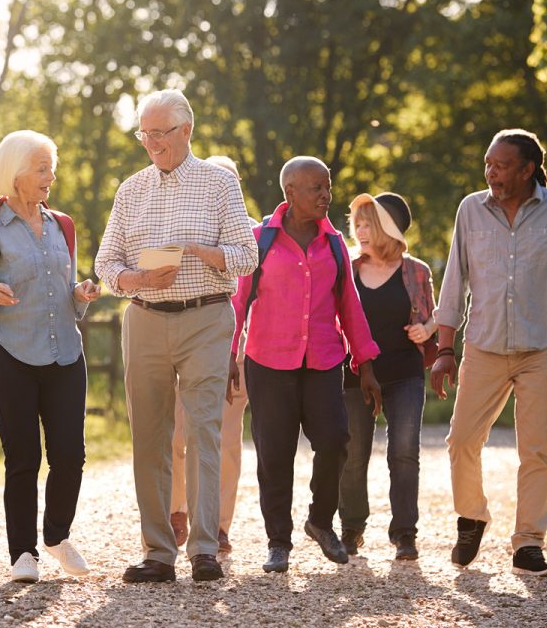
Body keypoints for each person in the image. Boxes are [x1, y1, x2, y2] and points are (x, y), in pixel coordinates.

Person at [95, 89, 258, 583]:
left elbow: (246, 256)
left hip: (206, 317)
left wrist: (198, 251)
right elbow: (106, 264)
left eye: (160, 132)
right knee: (149, 436)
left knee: (205, 429)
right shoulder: (131, 189)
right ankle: (158, 553)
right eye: (144, 132)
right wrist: (138, 280)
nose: (150, 142)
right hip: (144, 316)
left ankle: (205, 549)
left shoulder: (218, 185)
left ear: (186, 131)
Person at [431, 128, 547, 577]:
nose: (491, 172)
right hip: (483, 346)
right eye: (488, 163)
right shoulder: (470, 209)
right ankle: (471, 517)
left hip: (543, 349)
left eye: (501, 165)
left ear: (528, 170)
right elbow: (454, 282)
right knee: (462, 439)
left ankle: (528, 544)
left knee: (536, 450)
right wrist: (445, 347)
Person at [0, 130, 101, 583]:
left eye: (51, 166)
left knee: (70, 455)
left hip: (65, 354)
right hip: (13, 356)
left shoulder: (63, 224)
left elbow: (65, 288)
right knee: (22, 459)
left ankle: (57, 536)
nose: (51, 175)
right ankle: (23, 553)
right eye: (42, 167)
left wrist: (80, 294)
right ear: (16, 173)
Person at [231, 156, 381, 574]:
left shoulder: (333, 244)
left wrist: (365, 363)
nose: (326, 195)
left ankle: (319, 520)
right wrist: (229, 354)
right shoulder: (259, 240)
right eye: (316, 188)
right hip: (268, 360)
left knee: (335, 440)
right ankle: (278, 541)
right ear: (290, 193)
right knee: (274, 454)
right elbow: (238, 303)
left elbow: (349, 304)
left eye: (328, 186)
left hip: (322, 359)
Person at [338, 192, 437, 561]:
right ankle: (351, 529)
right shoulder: (347, 268)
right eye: (357, 223)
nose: (359, 230)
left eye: (368, 223)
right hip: (354, 374)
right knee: (352, 454)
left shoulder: (416, 271)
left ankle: (404, 534)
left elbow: (432, 316)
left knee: (404, 452)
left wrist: (426, 331)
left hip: (404, 374)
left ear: (387, 229)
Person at [169, 155, 251, 559]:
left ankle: (218, 524)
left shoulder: (250, 238)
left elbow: (257, 303)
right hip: (186, 349)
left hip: (235, 356)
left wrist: (241, 352)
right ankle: (177, 508)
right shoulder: (184, 231)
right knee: (178, 436)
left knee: (225, 442)